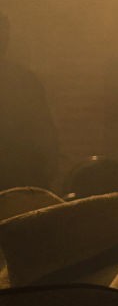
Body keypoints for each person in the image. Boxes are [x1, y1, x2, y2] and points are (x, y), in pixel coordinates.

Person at [0, 10, 58, 192]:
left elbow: (44, 135)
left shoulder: (25, 81)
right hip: (22, 184)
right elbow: (45, 137)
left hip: (20, 179)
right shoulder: (25, 80)